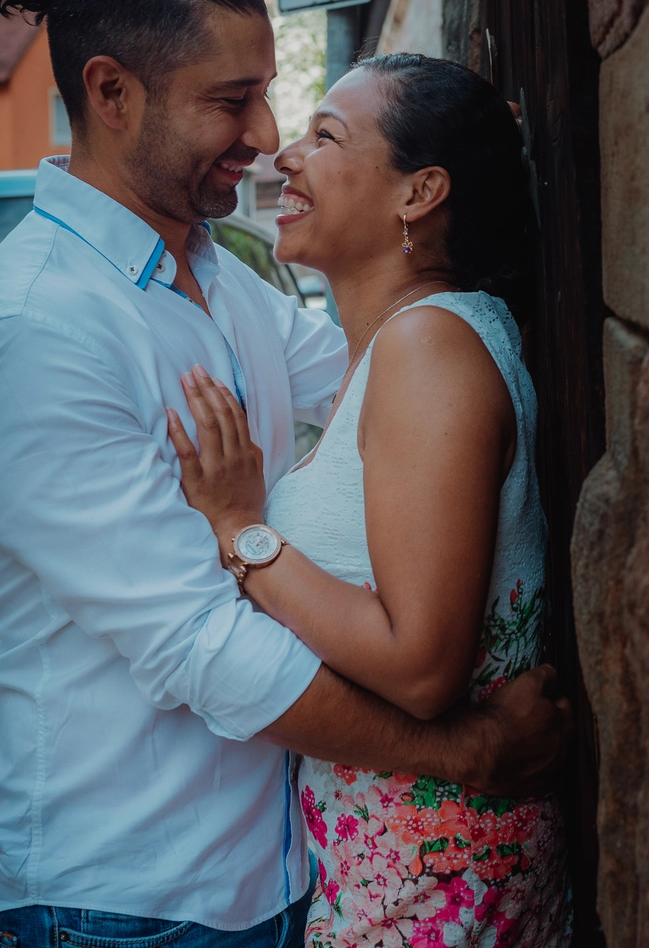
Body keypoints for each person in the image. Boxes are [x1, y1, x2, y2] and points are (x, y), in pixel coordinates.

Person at [0, 0, 569, 948]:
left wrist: (464, 186)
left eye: (271, 94)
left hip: (284, 879)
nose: (263, 130)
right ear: (111, 94)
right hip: (115, 901)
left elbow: (392, 381)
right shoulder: (34, 328)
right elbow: (197, 641)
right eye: (230, 100)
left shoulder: (223, 278)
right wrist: (463, 751)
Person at [165, 54, 568, 947]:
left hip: (434, 885)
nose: (285, 156)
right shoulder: (411, 340)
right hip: (406, 870)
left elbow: (422, 666)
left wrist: (244, 532)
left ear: (420, 191)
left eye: (327, 134)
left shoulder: (429, 348)